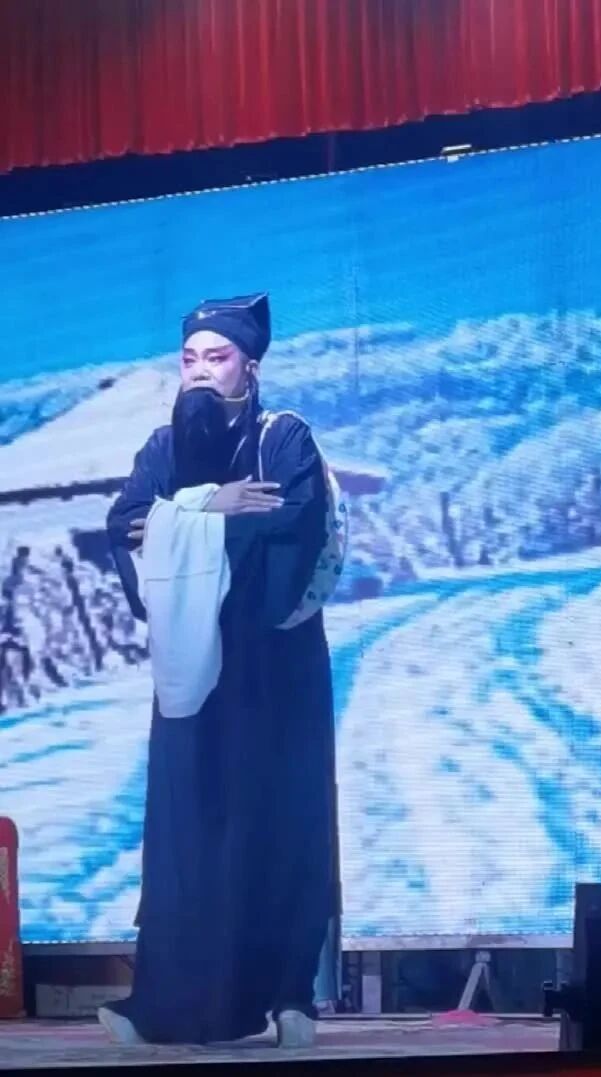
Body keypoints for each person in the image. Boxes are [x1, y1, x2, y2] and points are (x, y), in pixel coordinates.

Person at [98, 294, 342, 1047]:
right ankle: (170, 1004)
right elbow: (125, 524)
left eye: (218, 357)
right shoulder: (161, 448)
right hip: (194, 668)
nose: (201, 371)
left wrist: (185, 521)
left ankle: (289, 996)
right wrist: (213, 506)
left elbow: (293, 524)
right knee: (189, 832)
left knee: (280, 821)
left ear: (250, 366)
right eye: (190, 359)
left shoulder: (284, 437)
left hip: (273, 667)